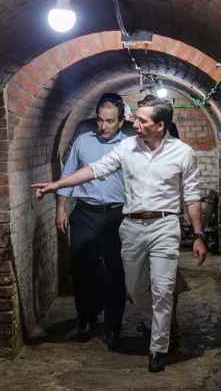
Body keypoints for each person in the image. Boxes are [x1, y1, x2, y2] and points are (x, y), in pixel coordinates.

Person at [34, 97, 206, 373]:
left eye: (142, 120)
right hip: (132, 226)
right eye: (135, 118)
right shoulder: (127, 148)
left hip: (165, 225)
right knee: (135, 289)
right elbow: (94, 170)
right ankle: (156, 325)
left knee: (162, 290)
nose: (134, 123)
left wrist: (199, 235)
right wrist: (57, 185)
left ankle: (158, 347)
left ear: (160, 125)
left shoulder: (183, 153)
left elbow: (193, 196)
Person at [56, 93, 130, 350]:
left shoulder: (130, 145)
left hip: (117, 215)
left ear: (121, 122)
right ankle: (85, 318)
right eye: (100, 120)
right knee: (80, 269)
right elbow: (68, 176)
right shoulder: (82, 142)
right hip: (85, 213)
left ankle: (113, 325)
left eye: (110, 121)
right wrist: (62, 209)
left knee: (115, 271)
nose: (104, 126)